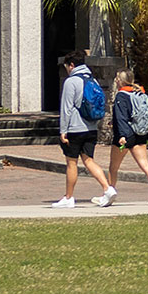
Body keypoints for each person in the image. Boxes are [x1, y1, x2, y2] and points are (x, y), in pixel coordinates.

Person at [50, 50, 113, 208]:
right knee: (89, 160)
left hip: (74, 129)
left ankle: (69, 197)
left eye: (66, 66)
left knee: (71, 163)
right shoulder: (92, 79)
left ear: (71, 65)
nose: (66, 70)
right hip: (91, 127)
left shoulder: (71, 82)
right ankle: (107, 188)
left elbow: (66, 108)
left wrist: (63, 131)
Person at [103, 70, 148, 206]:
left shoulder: (121, 95)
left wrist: (122, 136)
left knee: (113, 166)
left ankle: (109, 193)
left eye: (117, 78)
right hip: (140, 135)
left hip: (125, 139)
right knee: (145, 164)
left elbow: (121, 118)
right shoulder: (140, 92)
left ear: (121, 81)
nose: (116, 81)